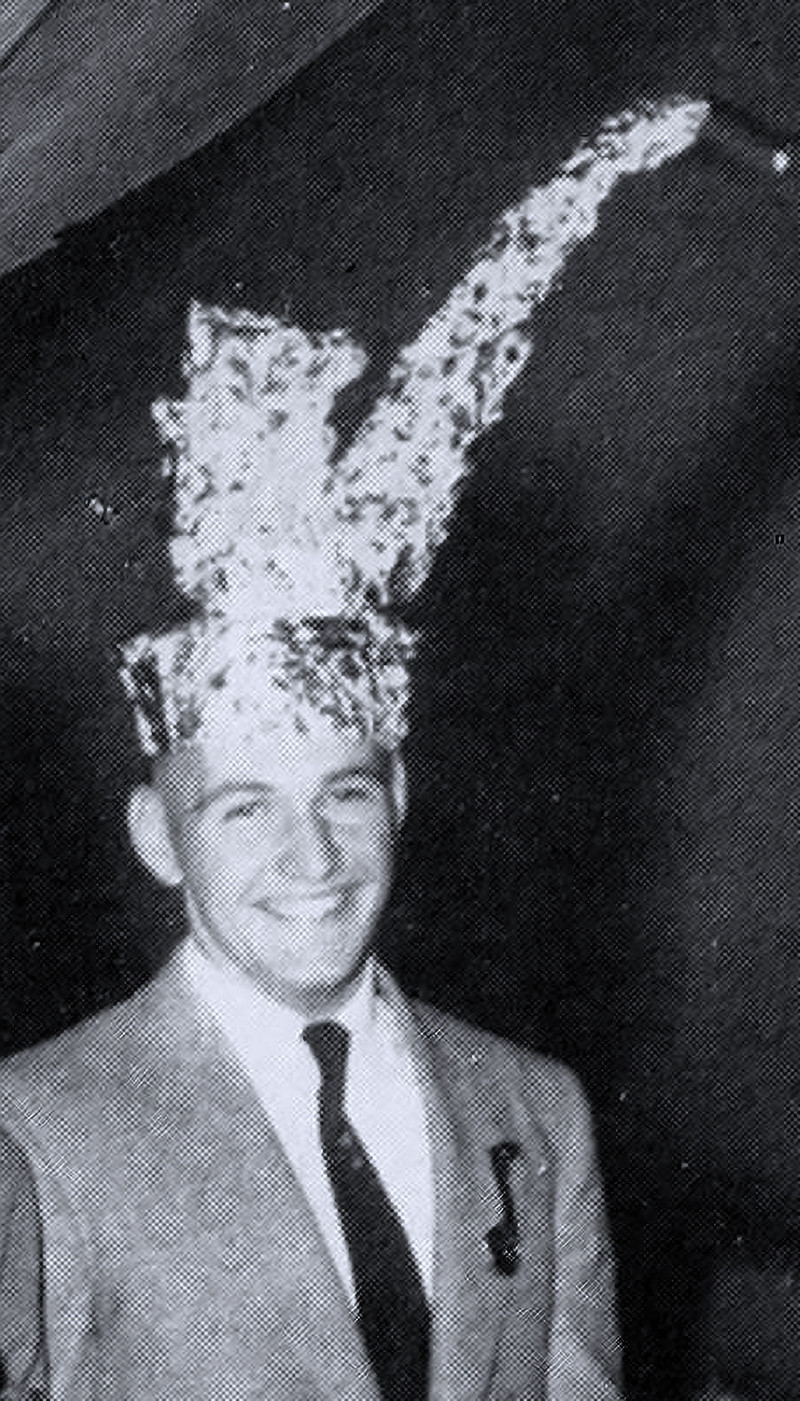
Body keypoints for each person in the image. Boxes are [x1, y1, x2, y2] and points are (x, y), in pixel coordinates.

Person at [0, 99, 707, 1398]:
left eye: (342, 793)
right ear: (158, 835)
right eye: (244, 808)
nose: (312, 858)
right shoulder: (33, 1131)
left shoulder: (534, 1111)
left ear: (401, 790)